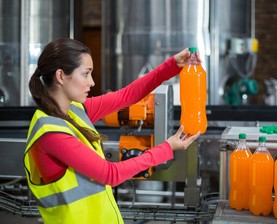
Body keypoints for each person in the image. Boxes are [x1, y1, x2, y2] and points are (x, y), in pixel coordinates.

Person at [23, 38, 200, 224]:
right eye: (85, 74)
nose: (91, 82)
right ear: (60, 76)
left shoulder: (75, 110)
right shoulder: (51, 133)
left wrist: (172, 65)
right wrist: (166, 148)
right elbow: (110, 174)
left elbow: (127, 96)